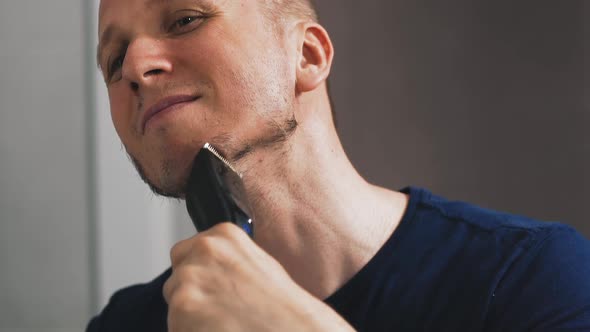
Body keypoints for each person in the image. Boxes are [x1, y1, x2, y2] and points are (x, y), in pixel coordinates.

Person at [87, 0, 590, 331]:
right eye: (113, 60)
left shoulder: (533, 278)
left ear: (307, 55)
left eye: (185, 20)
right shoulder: (125, 325)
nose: (134, 66)